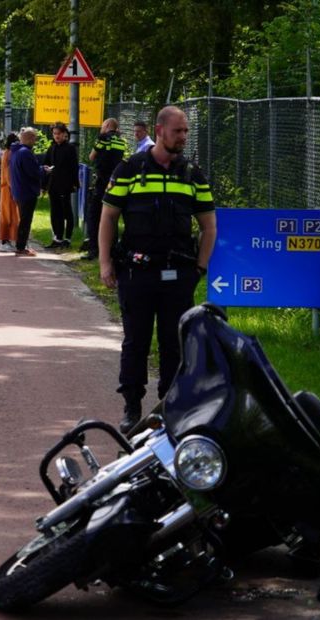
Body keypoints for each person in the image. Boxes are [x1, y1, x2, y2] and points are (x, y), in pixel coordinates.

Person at [99, 106, 217, 433]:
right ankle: (132, 405)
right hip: (137, 272)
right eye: (178, 131)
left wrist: (200, 267)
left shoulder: (193, 174)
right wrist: (105, 262)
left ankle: (170, 406)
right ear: (160, 130)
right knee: (135, 341)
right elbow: (108, 217)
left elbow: (209, 226)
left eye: (186, 131)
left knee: (174, 342)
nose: (183, 137)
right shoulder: (130, 169)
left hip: (178, 275)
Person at [83, 118, 127, 259]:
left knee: (93, 215)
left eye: (102, 126)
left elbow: (91, 156)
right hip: (114, 182)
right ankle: (112, 249)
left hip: (101, 180)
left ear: (107, 126)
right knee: (111, 215)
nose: (101, 128)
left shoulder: (103, 138)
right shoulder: (122, 142)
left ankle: (94, 249)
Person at [8, 127, 46, 257]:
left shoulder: (16, 151)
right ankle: (21, 246)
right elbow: (33, 172)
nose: (35, 141)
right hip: (27, 191)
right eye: (34, 138)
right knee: (26, 220)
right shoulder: (26, 153)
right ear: (29, 138)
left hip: (19, 190)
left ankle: (21, 245)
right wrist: (44, 171)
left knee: (23, 219)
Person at [42, 122, 79, 249]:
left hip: (65, 184)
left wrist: (75, 183)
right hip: (53, 185)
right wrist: (44, 185)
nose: (56, 136)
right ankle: (57, 238)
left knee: (66, 211)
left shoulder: (70, 148)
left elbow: (74, 167)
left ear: (64, 134)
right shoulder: (52, 148)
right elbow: (45, 165)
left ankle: (67, 238)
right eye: (54, 134)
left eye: (59, 134)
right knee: (55, 212)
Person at [0, 133, 21, 252]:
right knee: (10, 215)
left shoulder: (6, 153)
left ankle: (7, 240)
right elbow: (8, 173)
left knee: (7, 214)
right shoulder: (10, 154)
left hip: (5, 188)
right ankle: (5, 240)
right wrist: (14, 187)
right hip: (9, 188)